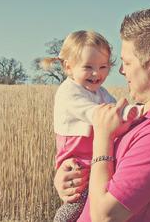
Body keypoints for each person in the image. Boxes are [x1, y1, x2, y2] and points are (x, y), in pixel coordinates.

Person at [54, 8, 150, 222]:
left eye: (127, 62)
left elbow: (105, 216)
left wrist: (103, 136)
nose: (122, 71)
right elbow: (105, 175)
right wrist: (68, 177)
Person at [43, 30, 142, 222]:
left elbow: (113, 108)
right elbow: (93, 113)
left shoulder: (101, 92)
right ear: (68, 67)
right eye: (88, 67)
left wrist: (131, 112)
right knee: (75, 203)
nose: (97, 73)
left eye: (103, 66)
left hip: (94, 159)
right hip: (77, 161)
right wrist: (119, 114)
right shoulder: (68, 92)